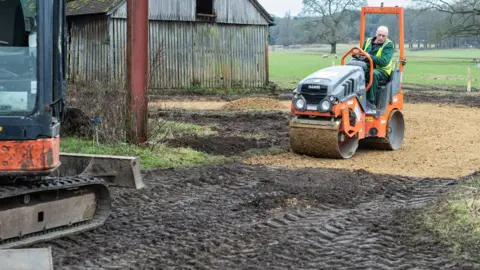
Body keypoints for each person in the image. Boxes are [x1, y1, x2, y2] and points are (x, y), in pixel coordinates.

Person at [360, 26, 395, 106]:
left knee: (373, 74)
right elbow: (361, 53)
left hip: (382, 71)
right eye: (379, 35)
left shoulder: (388, 45)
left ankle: (370, 101)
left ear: (387, 36)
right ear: (376, 34)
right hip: (367, 67)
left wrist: (369, 56)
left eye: (383, 36)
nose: (381, 37)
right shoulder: (368, 41)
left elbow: (384, 61)